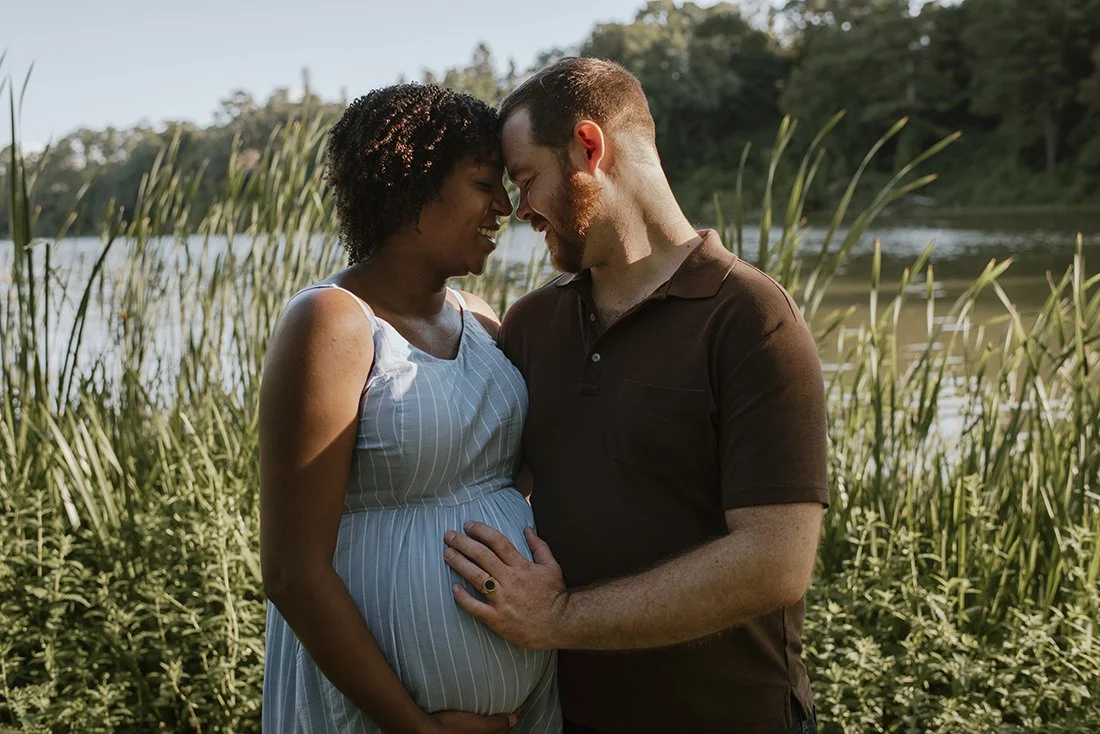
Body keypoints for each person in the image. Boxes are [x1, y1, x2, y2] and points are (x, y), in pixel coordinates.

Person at [442, 58, 828, 734]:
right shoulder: (532, 324)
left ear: (590, 148)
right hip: (573, 717)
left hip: (732, 720)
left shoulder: (751, 316)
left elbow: (776, 562)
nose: (519, 210)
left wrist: (560, 620)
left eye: (527, 179)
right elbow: (497, 495)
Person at [259, 83, 561, 734]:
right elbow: (291, 570)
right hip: (375, 717)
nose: (505, 206)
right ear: (415, 188)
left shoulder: (480, 320)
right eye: (485, 184)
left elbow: (522, 473)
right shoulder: (332, 323)